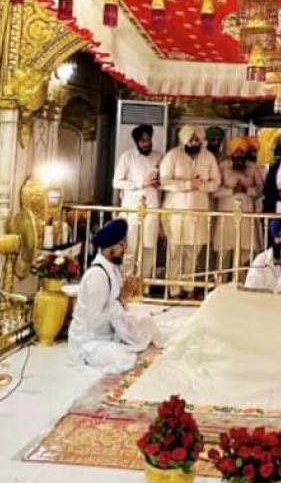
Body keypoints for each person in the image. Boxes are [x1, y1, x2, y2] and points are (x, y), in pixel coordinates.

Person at [68, 219, 162, 374]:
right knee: (125, 358)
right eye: (121, 244)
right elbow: (94, 320)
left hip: (109, 333)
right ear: (109, 247)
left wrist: (123, 301)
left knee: (146, 320)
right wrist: (121, 299)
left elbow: (116, 309)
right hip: (90, 341)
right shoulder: (96, 275)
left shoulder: (112, 268)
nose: (124, 249)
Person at [160, 125, 221, 296]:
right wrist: (187, 185)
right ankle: (173, 291)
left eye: (197, 140)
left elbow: (216, 182)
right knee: (175, 253)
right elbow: (163, 181)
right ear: (185, 140)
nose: (195, 143)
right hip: (176, 213)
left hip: (198, 212)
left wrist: (201, 185)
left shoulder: (208, 157)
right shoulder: (173, 155)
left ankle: (189, 289)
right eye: (191, 139)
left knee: (193, 253)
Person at [112, 124, 162, 279]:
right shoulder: (127, 157)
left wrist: (158, 183)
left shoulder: (159, 156)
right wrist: (140, 184)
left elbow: (164, 181)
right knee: (131, 248)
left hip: (152, 209)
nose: (146, 143)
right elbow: (117, 182)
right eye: (143, 141)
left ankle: (144, 283)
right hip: (132, 210)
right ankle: (126, 282)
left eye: (148, 140)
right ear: (137, 142)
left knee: (149, 247)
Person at [213, 137, 265, 275]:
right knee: (223, 254)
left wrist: (247, 190)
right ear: (231, 153)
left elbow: (261, 189)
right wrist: (231, 191)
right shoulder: (222, 167)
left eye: (242, 152)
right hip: (226, 216)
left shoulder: (253, 168)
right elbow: (213, 190)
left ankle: (242, 286)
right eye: (236, 152)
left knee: (246, 253)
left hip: (247, 216)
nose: (239, 155)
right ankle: (221, 287)